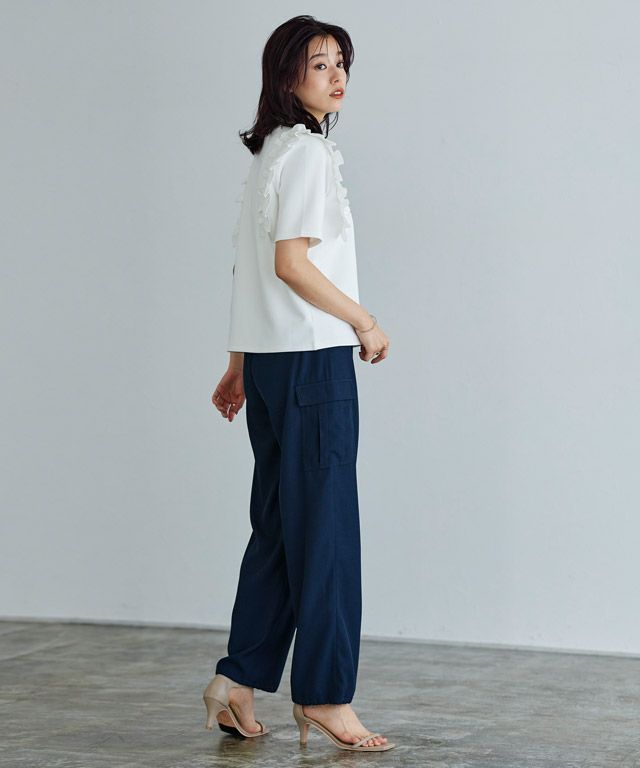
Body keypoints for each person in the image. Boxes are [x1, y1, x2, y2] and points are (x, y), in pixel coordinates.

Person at [203, 15, 394, 753]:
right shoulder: (307, 154)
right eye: (319, 64)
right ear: (287, 76)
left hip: (271, 363)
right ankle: (325, 696)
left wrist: (238, 362)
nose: (337, 74)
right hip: (314, 361)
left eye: (341, 61)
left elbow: (246, 266)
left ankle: (236, 680)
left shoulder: (271, 153)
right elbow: (289, 264)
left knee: (281, 529)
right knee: (327, 533)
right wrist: (363, 320)